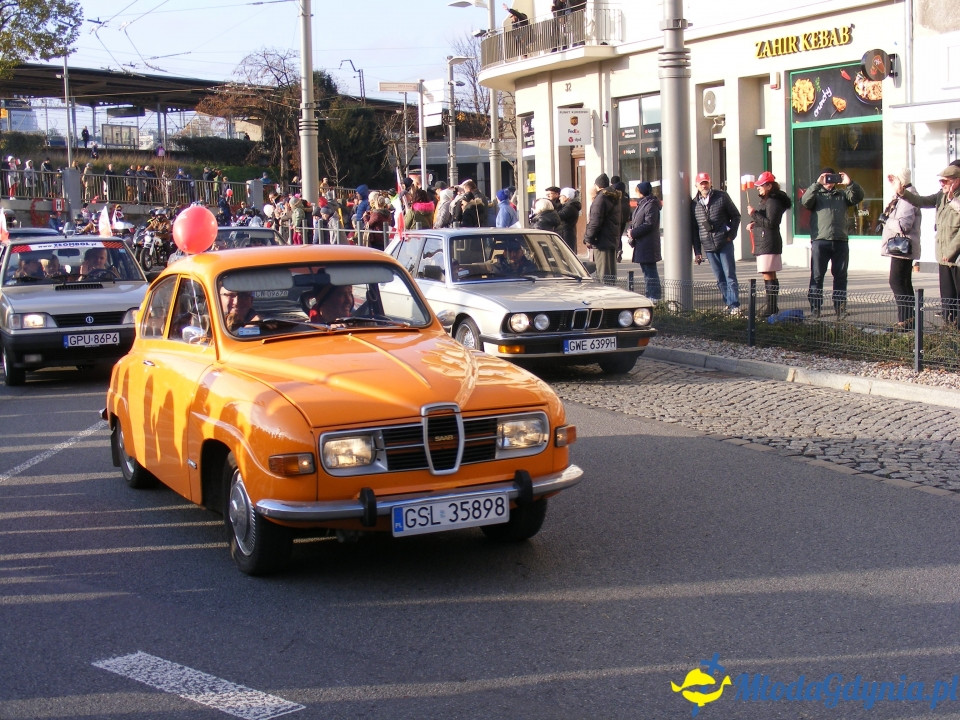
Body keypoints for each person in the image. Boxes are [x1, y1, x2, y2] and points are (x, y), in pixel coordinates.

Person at [895, 164, 960, 328]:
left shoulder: (955, 198)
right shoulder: (941, 196)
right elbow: (921, 201)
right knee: (947, 298)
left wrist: (953, 200)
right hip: (943, 256)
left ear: (957, 181)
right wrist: (903, 192)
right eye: (941, 181)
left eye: (945, 181)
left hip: (956, 258)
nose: (942, 184)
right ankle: (949, 331)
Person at [801, 167, 864, 318]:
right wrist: (817, 184)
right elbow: (804, 201)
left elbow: (858, 197)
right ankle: (815, 308)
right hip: (820, 241)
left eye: (832, 178)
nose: (829, 181)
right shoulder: (816, 195)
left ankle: (840, 308)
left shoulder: (842, 195)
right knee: (817, 275)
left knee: (841, 276)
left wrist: (850, 183)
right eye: (826, 178)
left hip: (840, 240)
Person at [875, 168, 922, 330]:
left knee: (897, 281)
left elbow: (904, 225)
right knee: (902, 282)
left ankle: (906, 321)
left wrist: (886, 220)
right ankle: (908, 320)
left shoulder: (908, 198)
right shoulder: (901, 197)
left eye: (893, 180)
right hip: (899, 248)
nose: (891, 184)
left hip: (903, 248)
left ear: (901, 181)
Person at [691, 172, 742, 314]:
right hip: (708, 245)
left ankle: (734, 305)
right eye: (701, 183)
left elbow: (736, 216)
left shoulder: (721, 196)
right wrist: (697, 251)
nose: (704, 185)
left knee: (729, 275)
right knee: (720, 278)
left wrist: (731, 235)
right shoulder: (694, 204)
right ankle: (729, 302)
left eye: (706, 182)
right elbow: (694, 229)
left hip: (724, 242)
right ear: (697, 185)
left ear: (710, 183)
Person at [746, 171, 792, 318]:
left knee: (768, 273)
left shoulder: (772, 201)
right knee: (768, 273)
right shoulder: (768, 201)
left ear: (769, 186)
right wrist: (754, 222)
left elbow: (771, 223)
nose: (758, 188)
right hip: (765, 241)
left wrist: (754, 214)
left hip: (768, 241)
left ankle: (771, 307)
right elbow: (765, 221)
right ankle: (771, 306)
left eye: (760, 185)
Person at [583, 173, 621, 283]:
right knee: (610, 273)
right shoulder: (614, 197)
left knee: (603, 272)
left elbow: (595, 221)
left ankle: (606, 296)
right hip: (611, 238)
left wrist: (588, 238)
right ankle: (612, 293)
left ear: (597, 186)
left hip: (601, 240)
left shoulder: (601, 198)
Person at [629, 181, 662, 302]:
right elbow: (636, 221)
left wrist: (634, 232)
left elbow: (649, 224)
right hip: (642, 242)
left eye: (637, 190)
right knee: (647, 271)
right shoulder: (642, 204)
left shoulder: (650, 204)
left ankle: (654, 296)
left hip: (648, 243)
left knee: (650, 272)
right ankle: (651, 294)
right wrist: (631, 230)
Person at [557, 186, 581, 253]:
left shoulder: (569, 207)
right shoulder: (568, 206)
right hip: (566, 232)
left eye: (561, 196)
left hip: (566, 234)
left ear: (567, 197)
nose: (559, 198)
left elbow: (559, 216)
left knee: (566, 253)